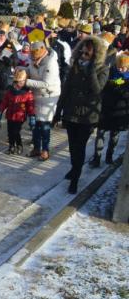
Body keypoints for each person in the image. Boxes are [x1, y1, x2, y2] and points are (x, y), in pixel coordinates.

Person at [54, 35, 109, 194]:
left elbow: (97, 89)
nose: (83, 56)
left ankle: (75, 179)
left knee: (80, 146)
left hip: (88, 117)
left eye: (87, 54)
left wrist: (90, 69)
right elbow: (66, 90)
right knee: (73, 147)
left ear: (95, 55)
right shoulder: (75, 67)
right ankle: (74, 168)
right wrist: (58, 112)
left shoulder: (103, 69)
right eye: (82, 52)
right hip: (71, 113)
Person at [89, 51, 128, 167]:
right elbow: (103, 86)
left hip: (119, 111)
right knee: (100, 133)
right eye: (119, 67)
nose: (121, 69)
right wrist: (115, 83)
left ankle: (109, 156)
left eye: (123, 68)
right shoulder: (110, 72)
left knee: (114, 135)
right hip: (106, 108)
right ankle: (97, 158)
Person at [25, 39, 61, 161]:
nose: (32, 56)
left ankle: (45, 150)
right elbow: (30, 69)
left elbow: (46, 84)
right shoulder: (33, 59)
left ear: (42, 51)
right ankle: (36, 148)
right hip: (36, 94)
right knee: (36, 123)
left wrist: (26, 82)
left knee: (44, 124)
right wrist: (22, 70)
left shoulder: (51, 63)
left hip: (48, 95)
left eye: (34, 53)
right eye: (31, 53)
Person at [0, 69, 35, 154]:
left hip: (20, 116)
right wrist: (0, 110)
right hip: (10, 115)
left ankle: (19, 145)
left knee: (16, 131)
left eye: (21, 82)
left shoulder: (27, 93)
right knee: (10, 132)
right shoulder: (10, 91)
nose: (18, 83)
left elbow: (30, 105)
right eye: (17, 82)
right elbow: (5, 102)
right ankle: (11, 146)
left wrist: (32, 115)